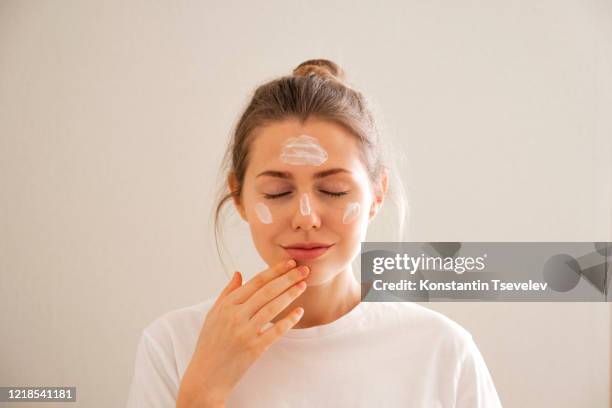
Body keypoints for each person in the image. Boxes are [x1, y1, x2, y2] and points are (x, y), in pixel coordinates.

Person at [126, 59, 503, 407]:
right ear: (239, 196)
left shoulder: (443, 351)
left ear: (377, 194)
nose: (306, 217)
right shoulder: (174, 345)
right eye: (278, 192)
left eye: (334, 191)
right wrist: (201, 393)